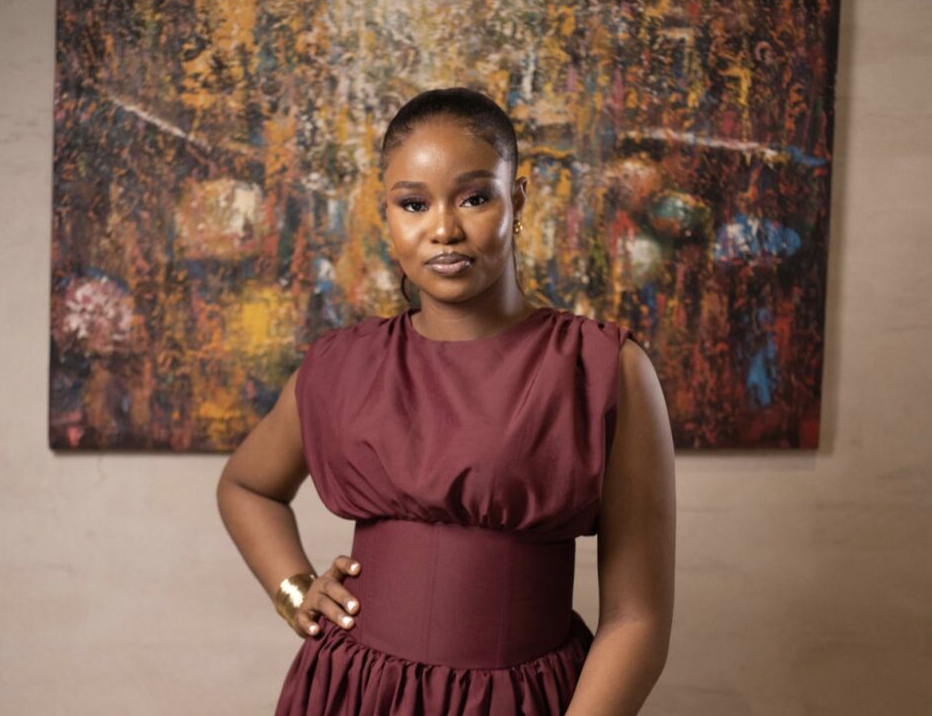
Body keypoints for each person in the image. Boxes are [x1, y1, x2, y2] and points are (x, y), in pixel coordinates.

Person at [217, 87, 676, 714]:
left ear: (518, 199)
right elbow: (246, 487)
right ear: (387, 214)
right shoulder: (340, 364)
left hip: (522, 701)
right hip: (351, 695)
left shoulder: (602, 367)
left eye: (474, 197)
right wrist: (294, 590)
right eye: (413, 204)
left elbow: (637, 619)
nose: (443, 230)